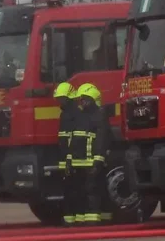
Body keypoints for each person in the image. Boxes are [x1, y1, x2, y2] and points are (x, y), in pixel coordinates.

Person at [70, 83, 109, 226]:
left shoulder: (99, 115)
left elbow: (101, 140)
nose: (82, 102)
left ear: (93, 99)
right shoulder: (82, 116)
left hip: (91, 161)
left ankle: (93, 219)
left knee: (92, 189)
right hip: (80, 162)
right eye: (81, 99)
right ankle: (82, 218)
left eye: (85, 99)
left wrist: (98, 161)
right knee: (81, 191)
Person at [53, 82, 81, 226]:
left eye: (62, 98)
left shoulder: (74, 114)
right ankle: (70, 218)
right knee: (69, 188)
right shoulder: (66, 113)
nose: (60, 101)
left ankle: (73, 219)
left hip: (72, 157)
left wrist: (69, 158)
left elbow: (73, 138)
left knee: (73, 189)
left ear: (69, 98)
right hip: (66, 157)